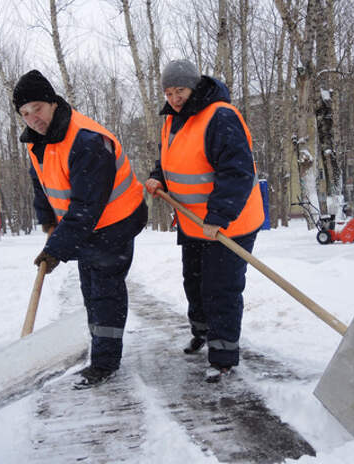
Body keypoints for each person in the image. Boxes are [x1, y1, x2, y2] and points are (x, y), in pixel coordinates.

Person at [13, 70, 147, 388]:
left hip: (115, 223)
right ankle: (101, 349)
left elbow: (86, 207)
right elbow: (41, 182)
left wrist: (55, 249)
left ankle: (104, 362)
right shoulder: (39, 141)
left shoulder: (86, 141)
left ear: (52, 103)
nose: (33, 118)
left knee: (105, 293)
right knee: (91, 290)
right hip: (89, 226)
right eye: (25, 113)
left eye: (37, 109)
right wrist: (46, 219)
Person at [145, 60, 264, 383]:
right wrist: (159, 178)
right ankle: (202, 332)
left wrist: (219, 216)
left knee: (220, 288)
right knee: (194, 282)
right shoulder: (173, 120)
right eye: (168, 92)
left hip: (229, 223)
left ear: (194, 87)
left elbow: (237, 171)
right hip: (192, 222)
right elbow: (170, 159)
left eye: (179, 91)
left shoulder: (220, 116)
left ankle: (223, 355)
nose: (173, 98)